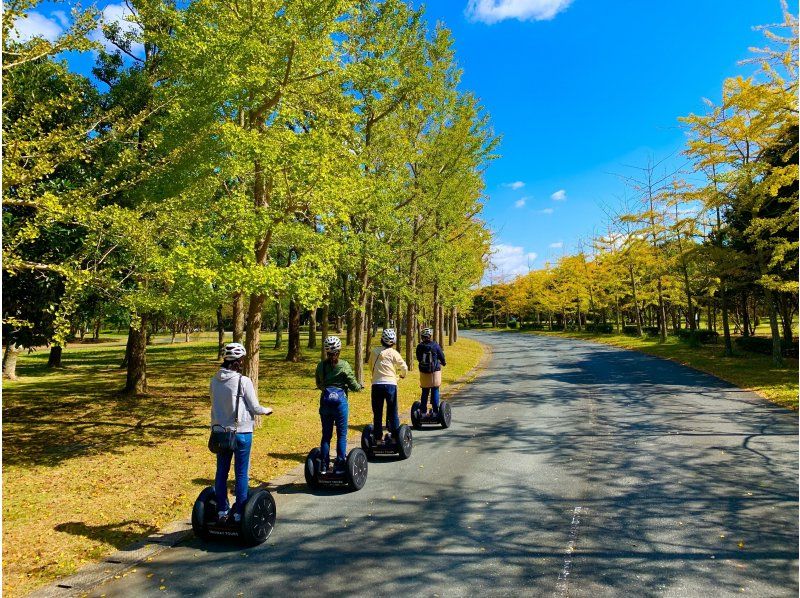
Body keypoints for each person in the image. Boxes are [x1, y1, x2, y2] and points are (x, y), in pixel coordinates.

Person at [210, 342, 273, 522]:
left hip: (221, 433)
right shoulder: (243, 381)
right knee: (241, 473)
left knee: (221, 471)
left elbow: (214, 406)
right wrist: (267, 410)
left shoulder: (214, 380)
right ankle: (240, 512)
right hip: (241, 433)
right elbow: (255, 407)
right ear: (238, 362)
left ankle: (222, 510)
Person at [315, 336, 361, 474]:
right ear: (339, 351)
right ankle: (340, 465)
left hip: (325, 402)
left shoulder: (321, 365)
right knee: (341, 434)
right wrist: (359, 387)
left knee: (326, 435)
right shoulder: (344, 365)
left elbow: (318, 383)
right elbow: (353, 385)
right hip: (340, 403)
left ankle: (323, 465)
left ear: (326, 351)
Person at [368, 329, 408, 443]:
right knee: (392, 411)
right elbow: (404, 367)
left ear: (382, 339)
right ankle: (395, 437)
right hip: (390, 384)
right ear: (394, 341)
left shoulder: (374, 351)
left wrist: (376, 375)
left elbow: (371, 366)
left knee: (377, 412)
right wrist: (402, 375)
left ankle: (377, 438)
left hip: (377, 385)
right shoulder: (394, 353)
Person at [416, 327, 446, 416]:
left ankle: (423, 412)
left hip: (424, 372)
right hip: (435, 372)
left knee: (425, 391)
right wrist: (443, 363)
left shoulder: (419, 346)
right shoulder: (435, 345)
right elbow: (441, 356)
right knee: (435, 389)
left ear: (422, 337)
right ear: (430, 336)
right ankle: (435, 412)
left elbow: (418, 358)